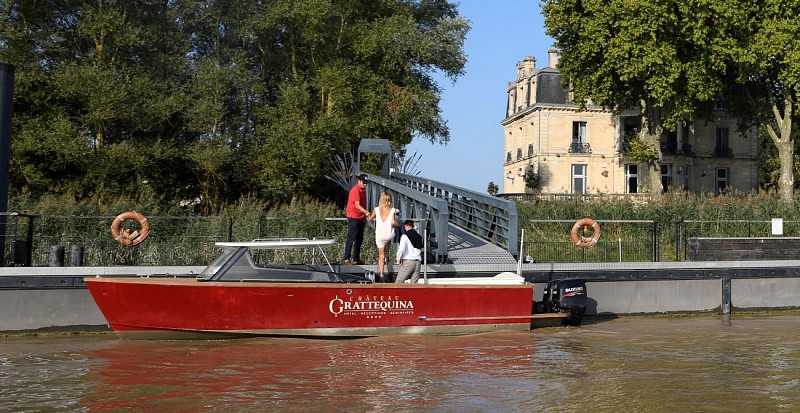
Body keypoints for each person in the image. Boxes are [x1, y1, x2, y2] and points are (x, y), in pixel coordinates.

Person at [367, 191, 399, 281]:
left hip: (379, 235)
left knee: (380, 255)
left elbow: (370, 219)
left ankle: (381, 274)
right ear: (390, 200)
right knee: (388, 238)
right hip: (389, 234)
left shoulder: (376, 209)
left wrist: (367, 214)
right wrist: (399, 225)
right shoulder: (392, 210)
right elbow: (393, 222)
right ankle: (387, 254)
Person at [342, 173, 369, 265]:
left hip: (360, 217)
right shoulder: (355, 190)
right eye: (363, 182)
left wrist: (364, 216)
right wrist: (366, 212)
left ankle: (356, 259)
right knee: (351, 237)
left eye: (366, 183)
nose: (365, 184)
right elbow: (357, 205)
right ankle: (346, 258)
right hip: (353, 216)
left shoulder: (363, 190)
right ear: (359, 181)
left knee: (359, 238)